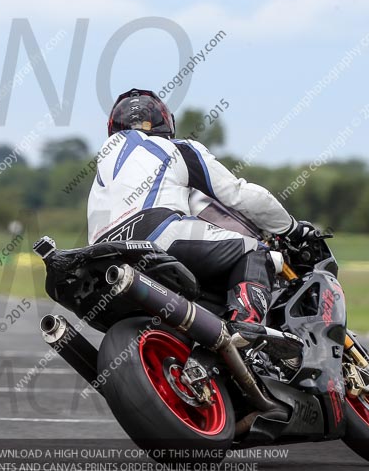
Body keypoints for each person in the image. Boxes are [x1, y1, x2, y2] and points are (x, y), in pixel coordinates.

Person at [87, 88, 314, 359]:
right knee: (256, 251)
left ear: (113, 127)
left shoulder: (103, 163)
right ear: (165, 122)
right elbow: (239, 194)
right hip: (157, 232)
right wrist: (292, 228)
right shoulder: (177, 148)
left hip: (102, 254)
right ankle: (247, 326)